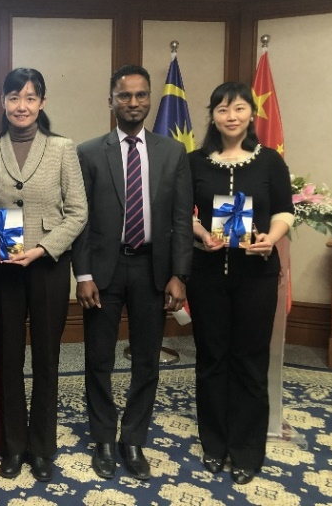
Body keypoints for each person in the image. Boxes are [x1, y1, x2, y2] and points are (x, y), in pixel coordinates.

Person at [72, 64, 193, 481]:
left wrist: (180, 274)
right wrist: (83, 274)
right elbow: (80, 220)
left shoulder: (172, 152)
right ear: (111, 101)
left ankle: (134, 438)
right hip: (103, 271)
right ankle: (104, 437)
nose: (134, 102)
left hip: (152, 268)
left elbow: (181, 219)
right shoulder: (89, 152)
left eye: (141, 95)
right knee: (98, 358)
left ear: (150, 100)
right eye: (125, 95)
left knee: (147, 361)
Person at [0, 67, 87, 481]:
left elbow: (78, 212)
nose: (21, 106)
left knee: (46, 358)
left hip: (49, 267)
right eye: (14, 98)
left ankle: (41, 447)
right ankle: (13, 445)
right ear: (3, 102)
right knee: (8, 358)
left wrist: (42, 249)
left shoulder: (62, 148)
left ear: (42, 102)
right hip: (4, 268)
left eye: (30, 97)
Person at [187, 81, 293, 485]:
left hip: (256, 275)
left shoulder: (270, 162)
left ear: (251, 114)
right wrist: (201, 233)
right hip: (207, 274)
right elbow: (182, 212)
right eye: (222, 109)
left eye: (239, 109)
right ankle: (214, 443)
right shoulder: (195, 162)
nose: (231, 116)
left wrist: (272, 238)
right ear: (213, 116)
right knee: (211, 358)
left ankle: (247, 450)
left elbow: (284, 210)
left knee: (250, 360)